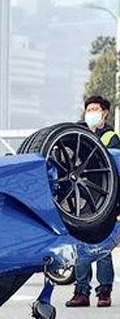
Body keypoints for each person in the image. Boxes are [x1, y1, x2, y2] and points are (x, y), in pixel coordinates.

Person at [66, 95, 118, 308]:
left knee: (101, 245)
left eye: (95, 109)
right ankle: (81, 291)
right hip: (82, 199)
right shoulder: (80, 134)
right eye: (89, 109)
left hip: (104, 198)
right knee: (81, 244)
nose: (91, 113)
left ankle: (104, 291)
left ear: (105, 112)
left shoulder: (110, 137)